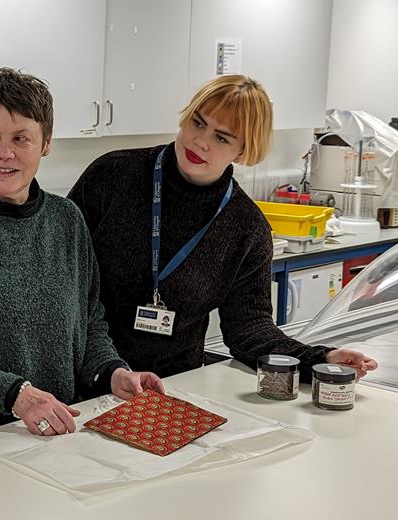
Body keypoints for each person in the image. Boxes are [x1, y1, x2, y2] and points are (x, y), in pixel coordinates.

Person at [0, 68, 164, 442]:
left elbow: (89, 324)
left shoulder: (67, 220)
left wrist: (112, 373)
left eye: (20, 138)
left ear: (45, 143)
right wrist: (17, 397)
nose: (3, 153)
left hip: (48, 435)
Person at [68, 74, 378, 382]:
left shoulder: (245, 227)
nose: (200, 141)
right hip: (81, 376)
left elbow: (249, 329)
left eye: (222, 137)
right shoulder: (113, 175)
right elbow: (58, 269)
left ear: (243, 151)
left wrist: (319, 359)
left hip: (169, 386)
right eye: (198, 123)